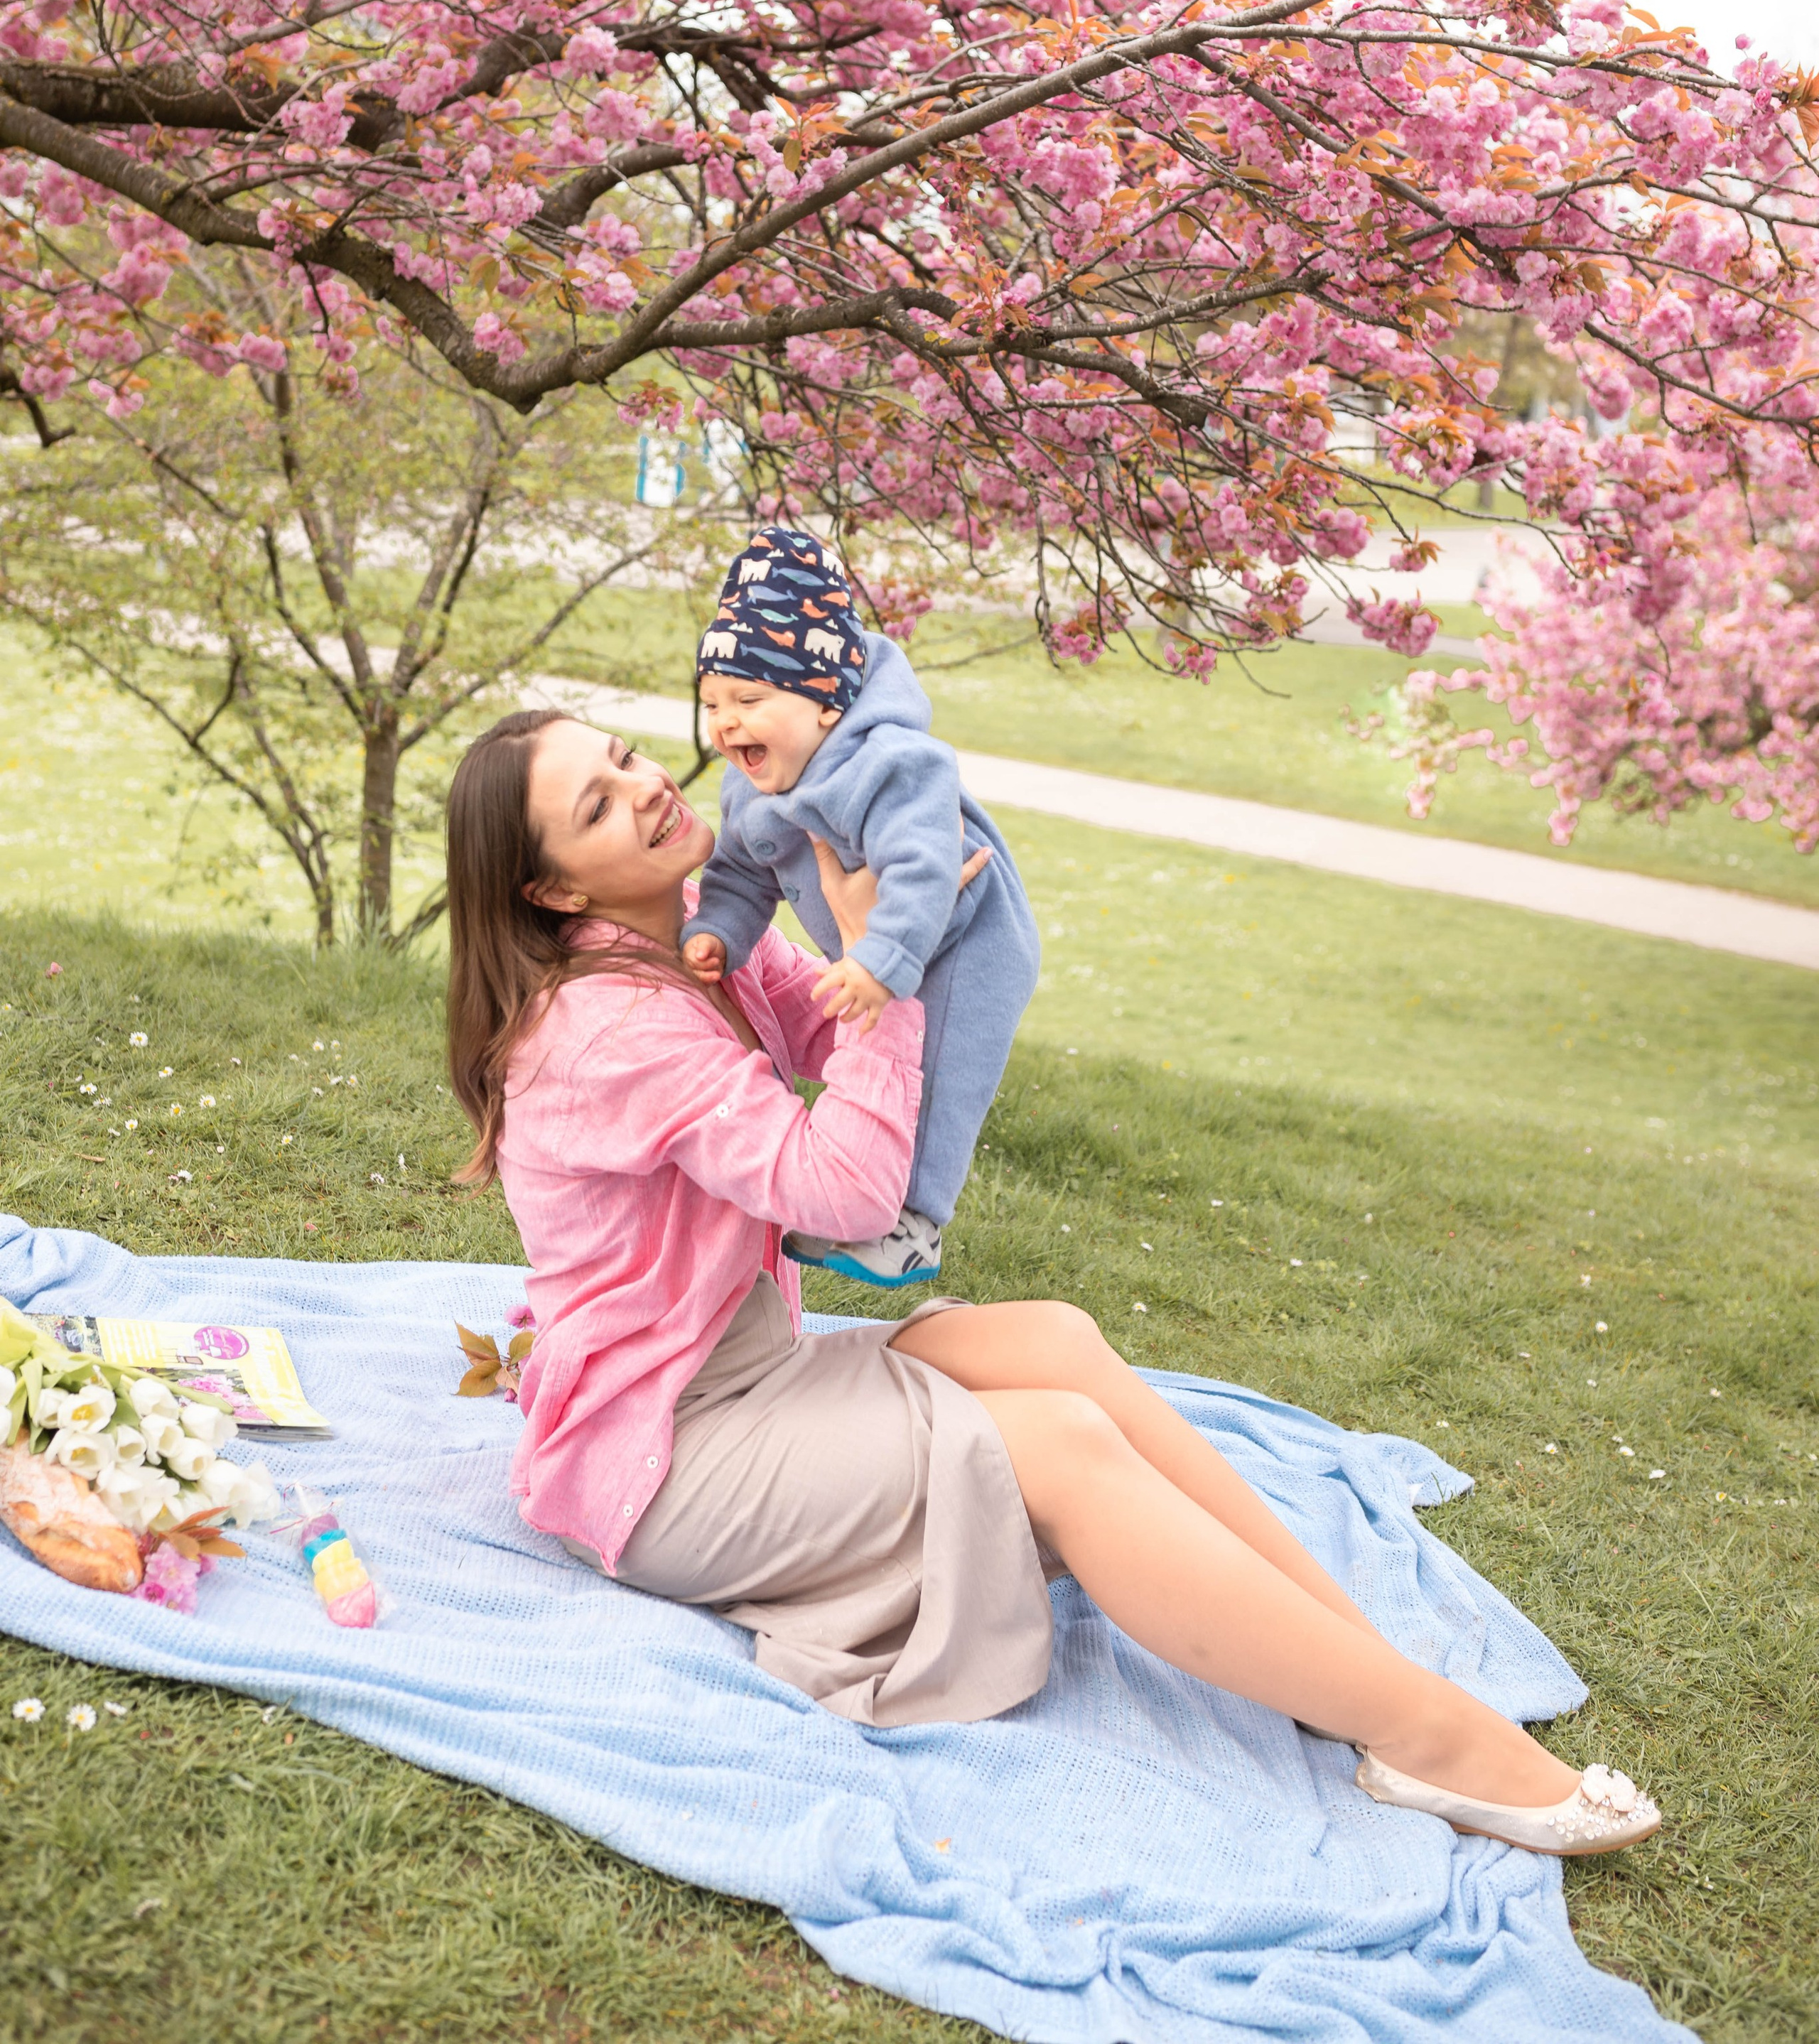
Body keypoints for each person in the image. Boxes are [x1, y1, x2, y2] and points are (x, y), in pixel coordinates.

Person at [442, 708, 1660, 1855]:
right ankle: (1426, 1740)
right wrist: (885, 980)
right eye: (599, 806)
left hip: (745, 1376)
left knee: (1053, 1343)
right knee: (1059, 1449)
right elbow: (848, 1188)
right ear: (553, 889)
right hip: (666, 1461)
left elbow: (838, 1032)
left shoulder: (699, 941)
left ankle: (1348, 1662)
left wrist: (902, 917)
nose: (649, 788)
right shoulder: (610, 1028)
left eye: (629, 759)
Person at [679, 525, 1040, 1289]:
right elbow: (743, 871)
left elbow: (921, 865)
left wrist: (879, 959)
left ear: (825, 707)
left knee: (944, 1071)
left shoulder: (891, 764)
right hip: (878, 941)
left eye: (747, 698)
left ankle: (914, 1223)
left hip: (967, 932)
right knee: (884, 1058)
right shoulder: (752, 784)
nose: (725, 722)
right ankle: (865, 1210)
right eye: (711, 703)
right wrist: (718, 931)